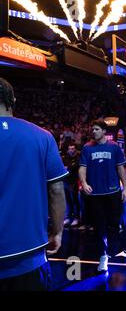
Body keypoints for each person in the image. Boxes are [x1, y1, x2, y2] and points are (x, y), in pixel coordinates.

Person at [0, 78, 67, 290]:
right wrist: (57, 231)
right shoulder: (42, 136)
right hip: (29, 257)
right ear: (13, 100)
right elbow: (56, 191)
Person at [79, 119, 126, 272]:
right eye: (93, 129)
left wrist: (125, 188)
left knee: (118, 225)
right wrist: (84, 183)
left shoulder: (114, 147)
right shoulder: (87, 148)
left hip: (112, 193)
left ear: (104, 131)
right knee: (99, 228)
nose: (94, 131)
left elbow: (120, 169)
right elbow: (82, 168)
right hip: (95, 195)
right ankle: (103, 257)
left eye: (97, 129)